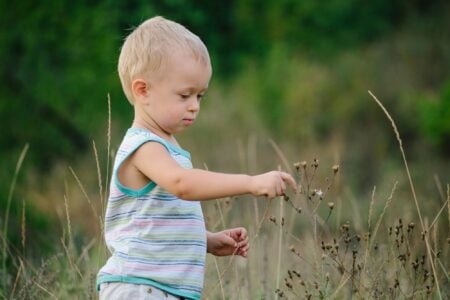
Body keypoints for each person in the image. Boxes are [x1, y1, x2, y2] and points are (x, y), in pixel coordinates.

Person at [96, 16, 297, 300]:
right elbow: (183, 184)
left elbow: (158, 222)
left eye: (200, 96)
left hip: (162, 288)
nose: (194, 106)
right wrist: (251, 182)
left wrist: (207, 241)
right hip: (138, 286)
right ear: (143, 90)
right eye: (184, 95)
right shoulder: (144, 146)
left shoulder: (167, 145)